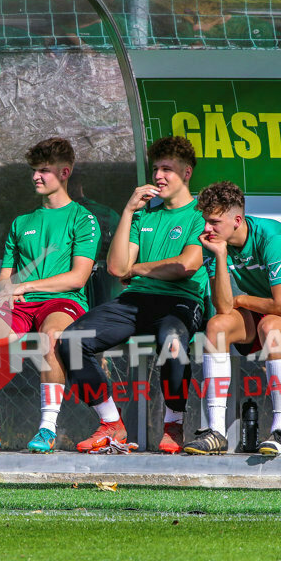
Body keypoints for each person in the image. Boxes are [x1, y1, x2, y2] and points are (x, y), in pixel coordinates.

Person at [59, 136, 208, 454]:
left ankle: (173, 425)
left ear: (186, 173)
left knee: (173, 342)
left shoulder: (200, 214)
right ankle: (111, 423)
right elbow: (116, 267)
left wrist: (137, 268)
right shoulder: (143, 216)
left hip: (182, 300)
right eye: (156, 169)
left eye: (167, 169)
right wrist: (128, 210)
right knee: (71, 340)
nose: (158, 176)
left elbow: (186, 265)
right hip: (137, 300)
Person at [0, 137, 99, 453]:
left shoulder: (83, 218)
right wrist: (9, 291)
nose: (36, 177)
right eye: (34, 170)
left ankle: (47, 429)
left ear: (65, 172)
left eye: (44, 171)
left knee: (52, 337)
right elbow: (5, 280)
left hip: (63, 301)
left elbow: (78, 278)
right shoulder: (21, 222)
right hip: (20, 305)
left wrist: (26, 286)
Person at [182, 181, 281, 456]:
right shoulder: (215, 245)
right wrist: (220, 254)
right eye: (205, 221)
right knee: (216, 327)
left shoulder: (270, 238)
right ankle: (215, 431)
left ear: (237, 220)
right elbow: (224, 308)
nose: (207, 229)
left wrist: (241, 300)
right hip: (265, 305)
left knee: (271, 327)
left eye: (214, 222)